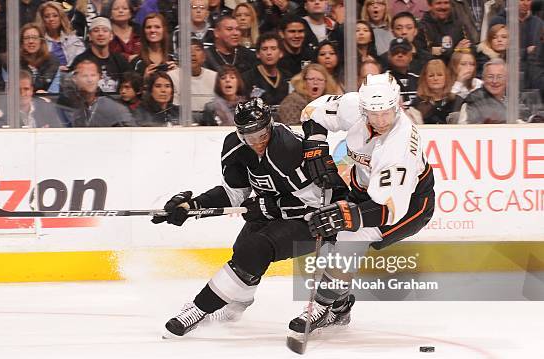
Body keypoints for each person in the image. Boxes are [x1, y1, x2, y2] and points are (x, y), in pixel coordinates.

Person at [156, 97, 350, 337]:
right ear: (239, 133)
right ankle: (235, 307)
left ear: (270, 126)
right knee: (243, 250)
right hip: (277, 207)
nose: (257, 142)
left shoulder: (287, 149)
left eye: (262, 134)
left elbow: (317, 202)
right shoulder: (234, 148)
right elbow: (233, 194)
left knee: (257, 247)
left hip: (317, 217)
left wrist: (270, 207)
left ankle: (197, 309)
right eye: (249, 136)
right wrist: (193, 205)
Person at [288, 72, 434, 335]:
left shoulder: (399, 146)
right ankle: (340, 307)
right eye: (373, 113)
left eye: (386, 112)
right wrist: (315, 147)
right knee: (332, 238)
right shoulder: (354, 105)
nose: (379, 120)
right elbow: (312, 112)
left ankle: (321, 306)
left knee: (350, 237)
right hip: (363, 185)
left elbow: (388, 210)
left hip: (409, 203)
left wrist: (346, 216)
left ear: (398, 104)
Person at [58, 59, 134, 126]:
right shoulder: (65, 105)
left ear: (99, 77)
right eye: (84, 76)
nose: (90, 80)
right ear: (75, 78)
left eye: (93, 75)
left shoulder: (113, 107)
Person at [70, 16, 131, 93]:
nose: (100, 34)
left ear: (111, 36)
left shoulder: (120, 60)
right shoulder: (81, 61)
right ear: (90, 36)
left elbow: (130, 83)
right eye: (96, 31)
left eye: (105, 30)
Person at [167, 37, 216, 122]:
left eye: (197, 49)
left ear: (204, 56)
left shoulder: (215, 77)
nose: (192, 53)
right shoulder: (171, 77)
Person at [242, 32, 290, 106]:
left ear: (281, 53)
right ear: (258, 54)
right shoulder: (247, 78)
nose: (269, 53)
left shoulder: (288, 77)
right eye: (264, 49)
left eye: (273, 48)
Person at [409, 59, 463, 124]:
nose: (435, 78)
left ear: (446, 78)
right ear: (425, 79)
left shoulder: (456, 101)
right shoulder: (417, 103)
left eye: (439, 75)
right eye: (431, 76)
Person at [36, 1, 85, 71]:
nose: (51, 19)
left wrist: (69, 69)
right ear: (42, 20)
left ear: (61, 17)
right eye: (47, 16)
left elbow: (81, 62)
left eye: (55, 15)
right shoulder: (39, 42)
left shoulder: (73, 39)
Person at [458, 58, 508, 124]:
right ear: (483, 79)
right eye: (490, 76)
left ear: (507, 80)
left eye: (499, 77)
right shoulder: (473, 100)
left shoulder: (513, 100)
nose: (495, 81)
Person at [132, 13, 177, 79]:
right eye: (148, 27)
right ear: (144, 31)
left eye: (157, 27)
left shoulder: (173, 59)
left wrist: (176, 75)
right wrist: (144, 79)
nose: (152, 30)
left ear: (164, 30)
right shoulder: (137, 63)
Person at [20, 23, 61, 93]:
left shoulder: (52, 61)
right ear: (21, 42)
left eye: (35, 38)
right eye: (26, 38)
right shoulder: (14, 61)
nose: (31, 41)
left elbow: (54, 93)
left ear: (41, 41)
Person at [386, 37, 419, 106]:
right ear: (389, 56)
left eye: (404, 52)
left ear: (411, 56)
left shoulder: (419, 79)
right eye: (395, 52)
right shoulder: (383, 79)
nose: (400, 55)